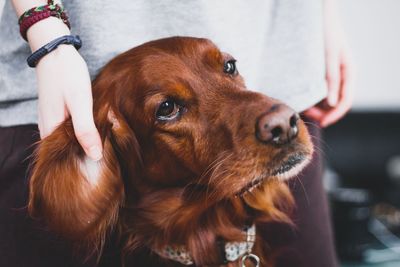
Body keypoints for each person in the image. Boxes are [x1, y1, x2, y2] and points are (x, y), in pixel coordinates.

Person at [0, 0, 354, 266]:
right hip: (66, 92)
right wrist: (44, 32)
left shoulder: (272, 116)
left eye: (228, 67)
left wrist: (320, 12)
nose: (278, 122)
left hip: (267, 45)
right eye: (169, 109)